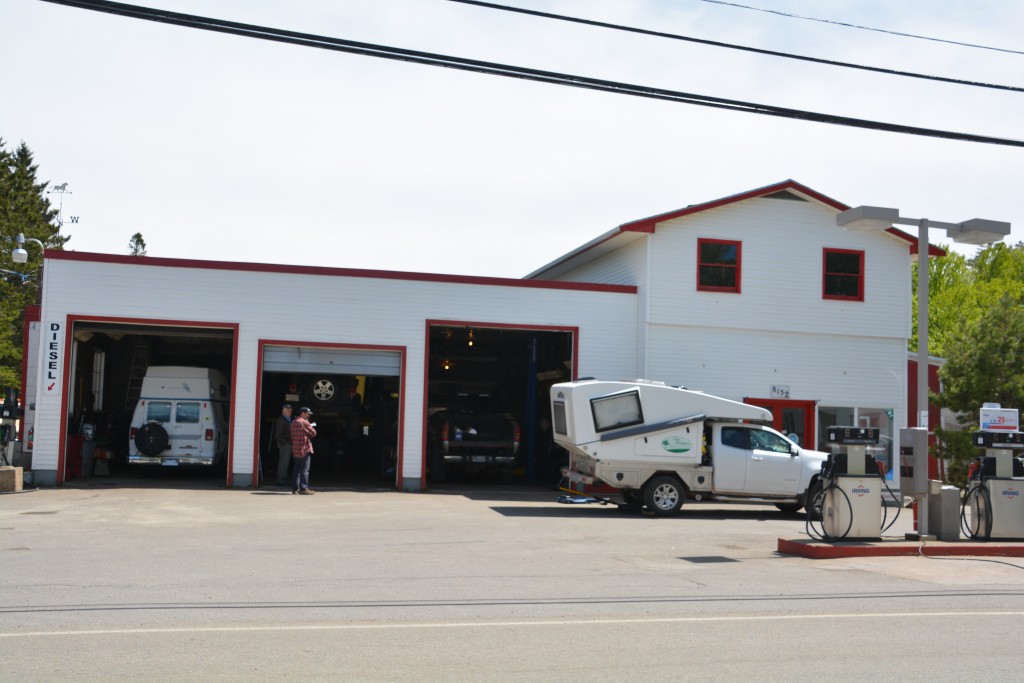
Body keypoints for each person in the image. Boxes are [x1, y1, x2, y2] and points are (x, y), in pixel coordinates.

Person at [290, 407, 317, 495]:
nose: (309, 415)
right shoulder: (305, 422)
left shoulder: (293, 422)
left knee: (296, 470)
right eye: (308, 413)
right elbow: (314, 433)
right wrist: (306, 431)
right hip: (305, 449)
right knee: (305, 470)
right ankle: (304, 488)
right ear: (303, 413)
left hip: (296, 449)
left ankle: (294, 489)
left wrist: (305, 431)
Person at [271, 404, 293, 486]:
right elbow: (278, 435)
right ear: (283, 411)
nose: (289, 412)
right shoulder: (281, 420)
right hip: (285, 444)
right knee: (283, 463)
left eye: (290, 411)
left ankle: (283, 478)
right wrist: (284, 443)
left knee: (286, 462)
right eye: (287, 410)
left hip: (288, 443)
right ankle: (280, 480)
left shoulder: (289, 419)